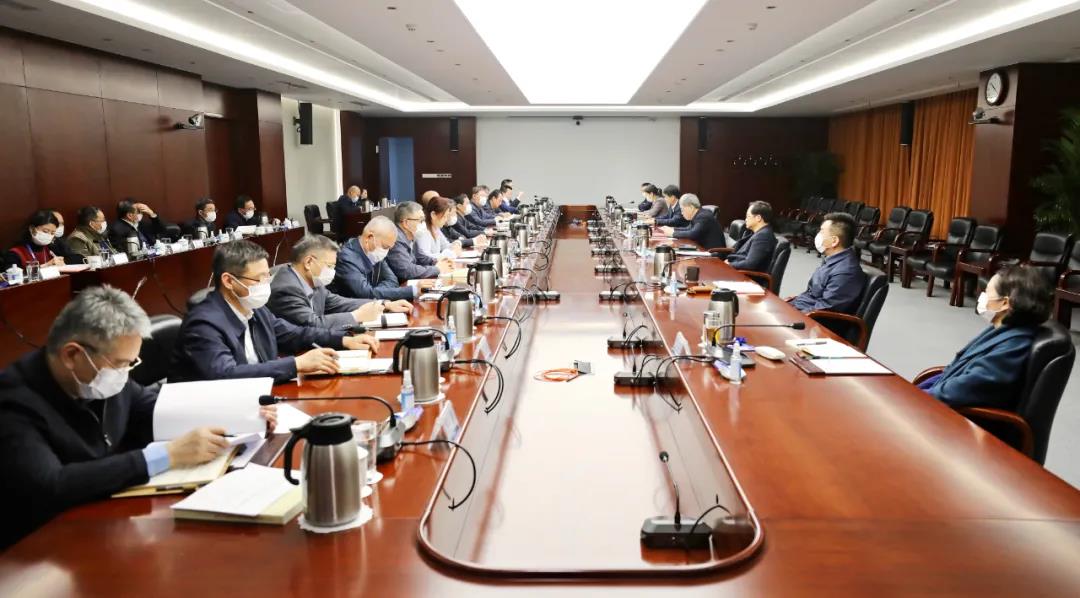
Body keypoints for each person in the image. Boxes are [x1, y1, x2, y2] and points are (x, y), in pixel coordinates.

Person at [0, 286, 274, 548]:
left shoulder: (100, 378)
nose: (124, 374)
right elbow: (51, 485)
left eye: (131, 364)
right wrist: (166, 455)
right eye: (120, 364)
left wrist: (244, 414)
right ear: (72, 354)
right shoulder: (14, 401)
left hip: (106, 516)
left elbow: (153, 409)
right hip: (38, 545)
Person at [169, 241, 378, 384]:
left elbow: (294, 333)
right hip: (211, 417)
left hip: (258, 398)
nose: (266, 284)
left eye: (267, 276)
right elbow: (226, 374)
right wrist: (296, 364)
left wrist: (343, 340)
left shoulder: (254, 308)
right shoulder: (203, 324)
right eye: (259, 278)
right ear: (229, 281)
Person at [919, 266, 1052, 408]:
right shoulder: (1004, 330)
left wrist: (916, 397)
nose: (982, 296)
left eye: (987, 292)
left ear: (1005, 303)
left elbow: (961, 390)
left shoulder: (1013, 347)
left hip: (956, 416)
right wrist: (918, 390)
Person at [268, 234, 410, 333]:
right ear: (308, 262)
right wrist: (356, 316)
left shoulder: (312, 281)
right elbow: (312, 324)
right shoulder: (286, 288)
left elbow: (338, 302)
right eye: (329, 266)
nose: (332, 271)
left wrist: (383, 304)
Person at [332, 216, 433, 301]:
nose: (386, 252)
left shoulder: (375, 253)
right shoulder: (346, 258)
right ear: (369, 237)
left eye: (389, 248)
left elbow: (392, 280)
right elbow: (365, 293)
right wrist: (412, 291)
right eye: (385, 247)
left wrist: (377, 292)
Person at [789, 212, 866, 314]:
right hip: (801, 308)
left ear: (834, 241)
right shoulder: (832, 259)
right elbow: (811, 294)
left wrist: (791, 315)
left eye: (822, 232)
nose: (818, 235)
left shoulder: (846, 272)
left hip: (812, 319)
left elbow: (825, 309)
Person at [386, 201, 454, 282]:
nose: (424, 224)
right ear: (406, 223)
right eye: (421, 220)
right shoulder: (396, 239)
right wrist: (437, 269)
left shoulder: (412, 235)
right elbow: (407, 270)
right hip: (402, 285)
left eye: (424, 220)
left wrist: (438, 261)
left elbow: (420, 257)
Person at [3, 210, 76, 270]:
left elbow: (75, 258)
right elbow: (12, 278)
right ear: (32, 229)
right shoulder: (15, 253)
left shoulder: (50, 248)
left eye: (52, 233)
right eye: (45, 231)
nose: (48, 235)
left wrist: (62, 262)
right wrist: (46, 266)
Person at [725, 201, 778, 272]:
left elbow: (749, 264)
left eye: (748, 216)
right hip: (737, 269)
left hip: (744, 275)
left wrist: (729, 265)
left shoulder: (763, 237)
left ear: (758, 218)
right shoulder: (759, 232)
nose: (745, 219)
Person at [660, 194, 726, 249]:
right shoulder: (698, 215)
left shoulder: (703, 216)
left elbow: (693, 234)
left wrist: (673, 233)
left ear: (691, 207)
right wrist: (672, 229)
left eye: (682, 209)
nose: (682, 213)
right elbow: (688, 228)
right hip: (702, 248)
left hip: (713, 253)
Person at [106, 199, 171, 251]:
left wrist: (151, 213)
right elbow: (124, 252)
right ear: (129, 215)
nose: (142, 214)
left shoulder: (141, 223)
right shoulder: (117, 230)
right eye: (139, 212)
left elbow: (161, 230)